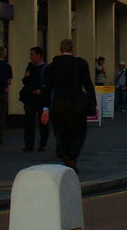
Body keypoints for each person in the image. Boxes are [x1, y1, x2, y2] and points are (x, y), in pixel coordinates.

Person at [41, 39, 96, 174]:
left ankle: (65, 155)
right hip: (76, 106)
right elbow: (88, 85)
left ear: (60, 49)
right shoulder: (81, 64)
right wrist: (93, 102)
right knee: (79, 133)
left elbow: (47, 89)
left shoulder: (52, 67)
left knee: (62, 134)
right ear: (73, 48)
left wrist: (45, 109)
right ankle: (71, 156)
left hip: (58, 106)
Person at [20, 46, 49, 152]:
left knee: (43, 122)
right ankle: (29, 143)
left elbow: (48, 83)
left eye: (32, 55)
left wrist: (41, 90)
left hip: (41, 98)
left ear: (39, 55)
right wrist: (26, 77)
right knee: (29, 121)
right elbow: (25, 81)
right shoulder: (30, 66)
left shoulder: (46, 68)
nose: (31, 57)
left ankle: (43, 144)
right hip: (30, 97)